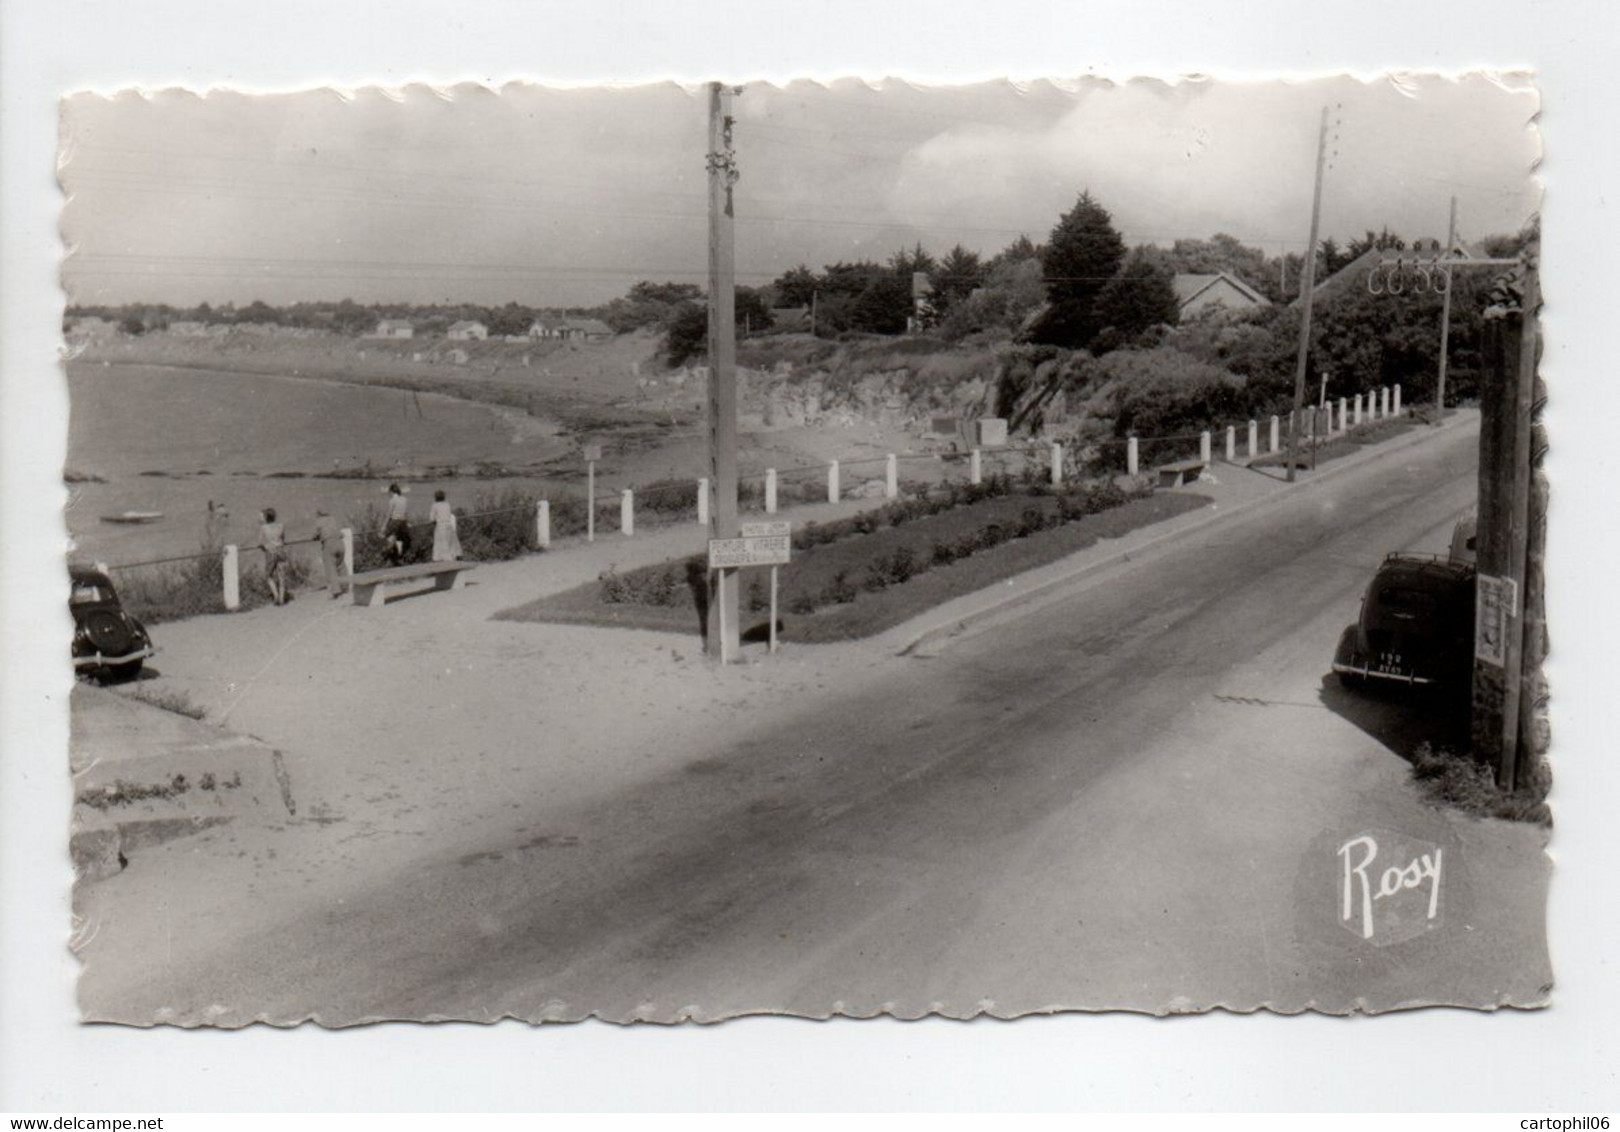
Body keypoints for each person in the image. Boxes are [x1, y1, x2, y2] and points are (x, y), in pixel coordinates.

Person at [259, 507, 288, 605]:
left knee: (268, 575)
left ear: (266, 517)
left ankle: (275, 595)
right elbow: (283, 539)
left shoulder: (263, 528)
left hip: (270, 552)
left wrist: (264, 548)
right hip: (280, 551)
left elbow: (261, 543)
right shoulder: (281, 526)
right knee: (282, 576)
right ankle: (282, 597)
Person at [314, 507, 346, 597]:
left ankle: (336, 590)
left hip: (329, 544)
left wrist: (314, 537)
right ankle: (346, 587)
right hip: (340, 543)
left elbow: (317, 534)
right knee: (341, 565)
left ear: (319, 513)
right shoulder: (333, 519)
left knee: (331, 567)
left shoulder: (319, 521)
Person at [382, 483, 412, 565]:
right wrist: (408, 522)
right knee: (404, 540)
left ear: (392, 492)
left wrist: (384, 525)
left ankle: (388, 558)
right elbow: (406, 513)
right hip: (402, 522)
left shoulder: (392, 500)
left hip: (394, 521)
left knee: (388, 539)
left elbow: (388, 514)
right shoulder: (404, 499)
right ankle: (399, 557)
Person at [430, 489, 461, 563]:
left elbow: (432, 518)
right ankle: (451, 557)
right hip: (449, 526)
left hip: (440, 526)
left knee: (440, 543)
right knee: (450, 543)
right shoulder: (447, 504)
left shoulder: (435, 505)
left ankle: (439, 558)